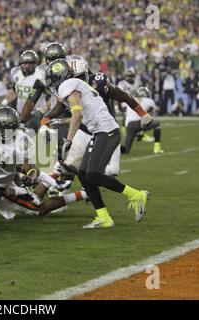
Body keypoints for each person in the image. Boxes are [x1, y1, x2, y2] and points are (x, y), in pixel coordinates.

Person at [45, 59, 150, 229]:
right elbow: (79, 115)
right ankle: (103, 217)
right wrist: (60, 121)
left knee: (93, 174)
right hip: (101, 131)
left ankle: (136, 195)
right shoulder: (78, 83)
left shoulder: (68, 85)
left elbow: (77, 115)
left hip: (106, 132)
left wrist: (69, 140)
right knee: (84, 174)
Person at [7, 50, 46, 130]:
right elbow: (14, 90)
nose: (27, 65)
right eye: (25, 63)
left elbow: (50, 94)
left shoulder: (41, 75)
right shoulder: (16, 72)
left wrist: (44, 109)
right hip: (19, 112)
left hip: (36, 112)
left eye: (30, 63)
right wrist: (5, 102)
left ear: (35, 63)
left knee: (29, 132)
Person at [121, 87, 164, 154]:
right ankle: (157, 148)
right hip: (139, 123)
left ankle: (115, 150)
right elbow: (152, 112)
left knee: (126, 150)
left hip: (129, 126)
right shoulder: (149, 100)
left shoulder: (132, 99)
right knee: (157, 124)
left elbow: (124, 116)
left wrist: (124, 128)